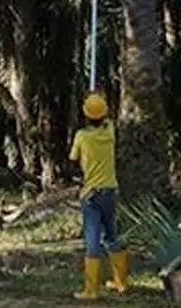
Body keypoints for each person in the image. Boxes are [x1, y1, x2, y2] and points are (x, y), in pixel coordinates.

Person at [69, 92, 129, 299]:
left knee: (93, 240)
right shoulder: (110, 132)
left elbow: (73, 157)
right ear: (104, 116)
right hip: (111, 191)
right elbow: (107, 119)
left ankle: (91, 290)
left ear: (86, 116)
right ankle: (121, 283)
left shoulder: (82, 136)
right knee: (112, 235)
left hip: (92, 194)